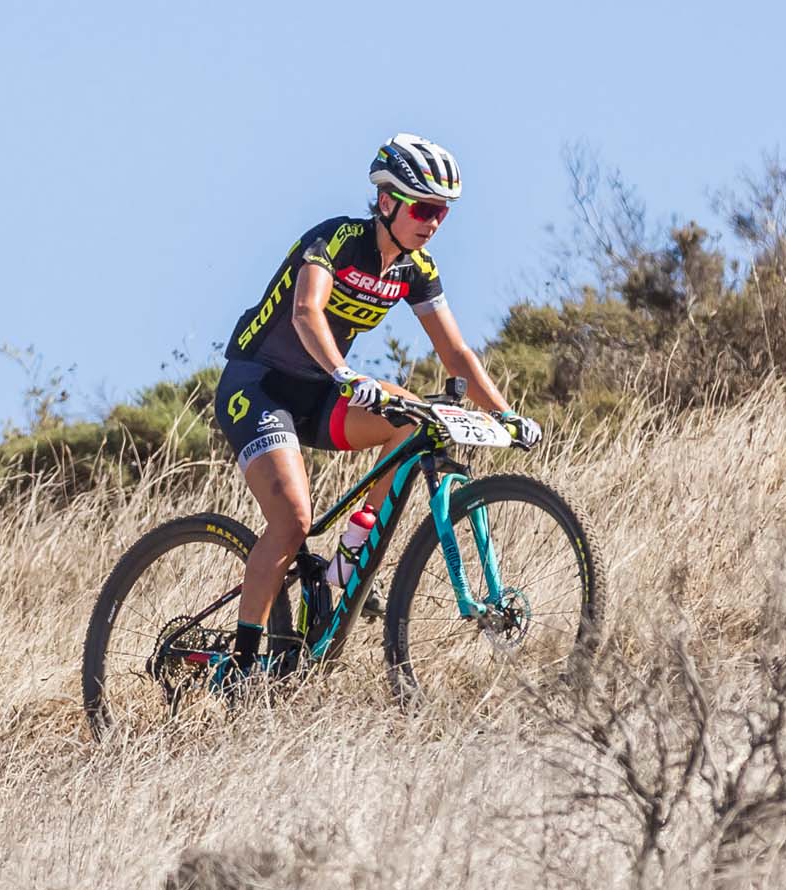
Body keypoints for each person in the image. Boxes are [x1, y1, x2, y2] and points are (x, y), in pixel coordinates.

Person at [210, 134, 543, 684]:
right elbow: (305, 311)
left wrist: (506, 414)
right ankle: (241, 664)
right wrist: (346, 376)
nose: (433, 221)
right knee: (291, 521)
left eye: (442, 212)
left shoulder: (415, 268)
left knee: (414, 421)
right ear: (387, 202)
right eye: (424, 208)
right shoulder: (338, 239)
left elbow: (455, 352)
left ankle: (350, 557)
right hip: (259, 384)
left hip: (319, 392)